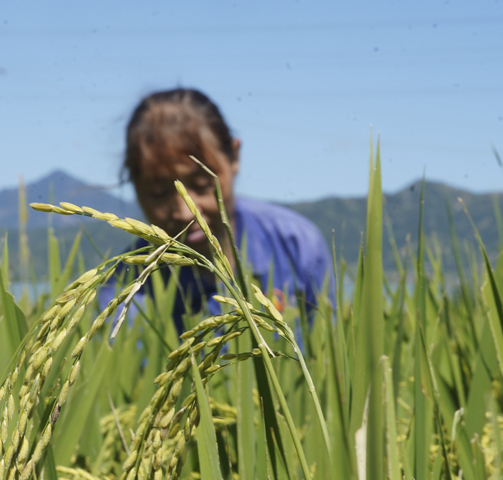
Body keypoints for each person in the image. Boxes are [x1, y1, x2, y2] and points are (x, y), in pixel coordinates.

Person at [106, 88, 334, 331]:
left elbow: (327, 357)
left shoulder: (296, 245)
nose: (185, 213)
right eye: (158, 193)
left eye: (202, 185)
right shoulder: (125, 292)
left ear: (234, 157)